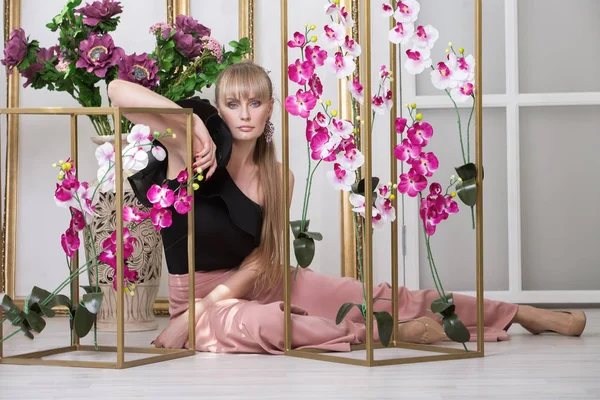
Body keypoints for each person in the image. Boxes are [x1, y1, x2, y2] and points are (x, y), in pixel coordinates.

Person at [107, 60, 586, 354]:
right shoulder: (183, 152)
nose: (245, 114)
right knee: (274, 324)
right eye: (233, 104)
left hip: (257, 281)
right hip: (199, 300)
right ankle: (397, 335)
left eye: (256, 102)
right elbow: (116, 91)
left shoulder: (280, 176)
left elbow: (261, 260)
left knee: (379, 295)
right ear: (220, 108)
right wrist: (190, 125)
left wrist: (204, 309)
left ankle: (517, 313)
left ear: (271, 107)